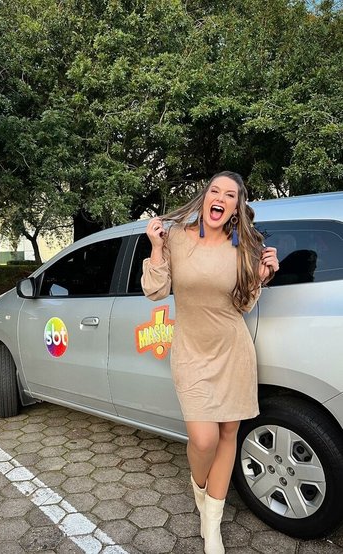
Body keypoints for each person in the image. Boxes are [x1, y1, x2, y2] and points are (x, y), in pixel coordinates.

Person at [141, 171, 279, 554]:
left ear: (236, 207)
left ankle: (212, 523)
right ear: (205, 198)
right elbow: (155, 291)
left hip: (232, 351)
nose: (220, 198)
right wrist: (156, 247)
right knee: (203, 439)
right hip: (191, 351)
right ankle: (199, 489)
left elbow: (243, 305)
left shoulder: (245, 248)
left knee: (228, 435)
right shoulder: (177, 237)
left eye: (230, 195)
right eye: (214, 191)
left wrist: (263, 276)